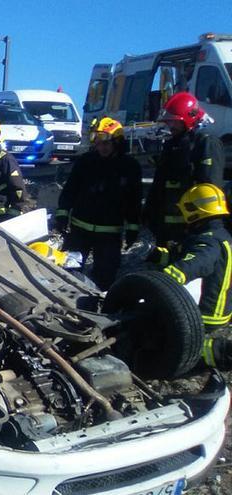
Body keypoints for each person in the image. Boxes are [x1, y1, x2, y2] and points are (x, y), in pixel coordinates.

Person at [53, 117, 142, 290]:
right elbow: (70, 190)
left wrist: (132, 227)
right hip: (79, 231)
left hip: (109, 235)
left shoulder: (130, 166)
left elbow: (134, 200)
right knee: (68, 271)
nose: (101, 147)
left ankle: (97, 309)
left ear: (117, 142)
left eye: (106, 143)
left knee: (105, 277)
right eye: (98, 143)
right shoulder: (86, 161)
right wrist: (62, 214)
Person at [152, 183, 232, 369]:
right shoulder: (220, 233)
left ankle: (217, 352)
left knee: (160, 336)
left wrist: (164, 279)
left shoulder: (209, 241)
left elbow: (196, 263)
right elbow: (186, 254)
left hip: (206, 314)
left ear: (194, 210)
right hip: (221, 307)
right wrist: (162, 256)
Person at [144, 92, 224, 247]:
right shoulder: (172, 145)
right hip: (167, 230)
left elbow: (210, 189)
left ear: (190, 118)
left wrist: (204, 228)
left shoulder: (206, 143)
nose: (170, 126)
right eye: (169, 122)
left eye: (175, 122)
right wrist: (150, 214)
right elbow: (160, 185)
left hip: (193, 228)